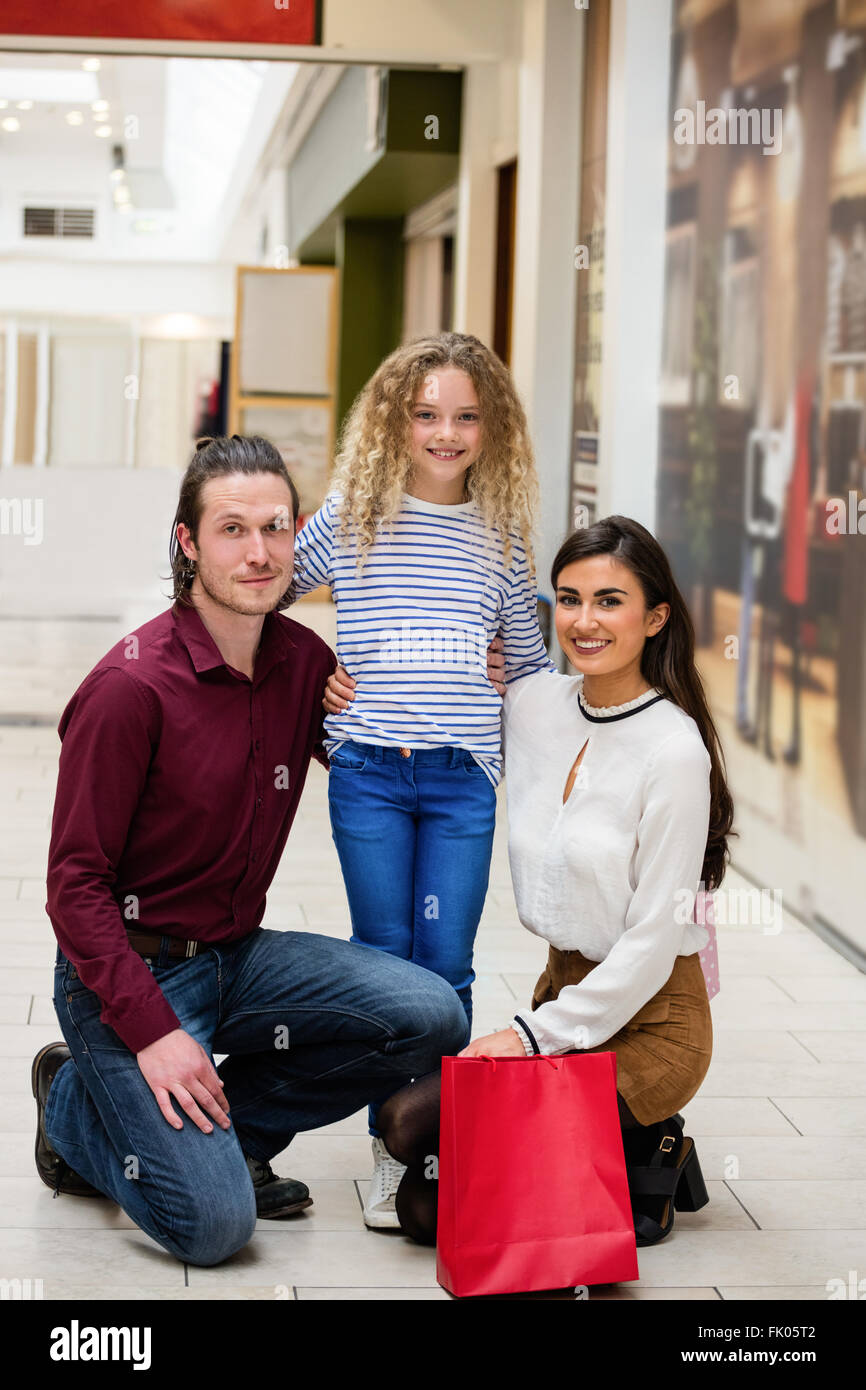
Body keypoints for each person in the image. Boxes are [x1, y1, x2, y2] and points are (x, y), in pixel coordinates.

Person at [32, 434, 469, 1268]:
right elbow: (73, 888)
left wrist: (463, 670)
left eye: (276, 528)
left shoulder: (303, 661)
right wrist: (154, 1032)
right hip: (130, 977)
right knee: (216, 1228)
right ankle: (72, 1103)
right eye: (232, 529)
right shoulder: (130, 690)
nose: (260, 552)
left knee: (430, 1014)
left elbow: (371, 756)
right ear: (188, 542)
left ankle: (233, 1132)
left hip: (239, 959)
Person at [333, 515, 734, 1251]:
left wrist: (525, 1036)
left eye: (610, 601)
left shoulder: (673, 751)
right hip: (564, 997)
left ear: (655, 617)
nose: (584, 621)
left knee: (432, 1209)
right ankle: (621, 1144)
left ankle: (645, 1138)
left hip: (650, 1018)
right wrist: (345, 687)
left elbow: (649, 948)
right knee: (403, 1129)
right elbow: (433, 698)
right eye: (569, 598)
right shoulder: (535, 705)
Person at [296, 332, 554, 1226]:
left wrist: (506, 684)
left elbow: (528, 665)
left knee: (445, 968)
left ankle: (434, 1146)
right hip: (368, 773)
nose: (446, 432)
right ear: (394, 422)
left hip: (460, 784)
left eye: (466, 417)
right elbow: (261, 585)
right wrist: (310, 677)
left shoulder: (503, 535)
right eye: (427, 415)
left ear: (493, 428)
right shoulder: (352, 516)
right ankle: (386, 1149)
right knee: (384, 963)